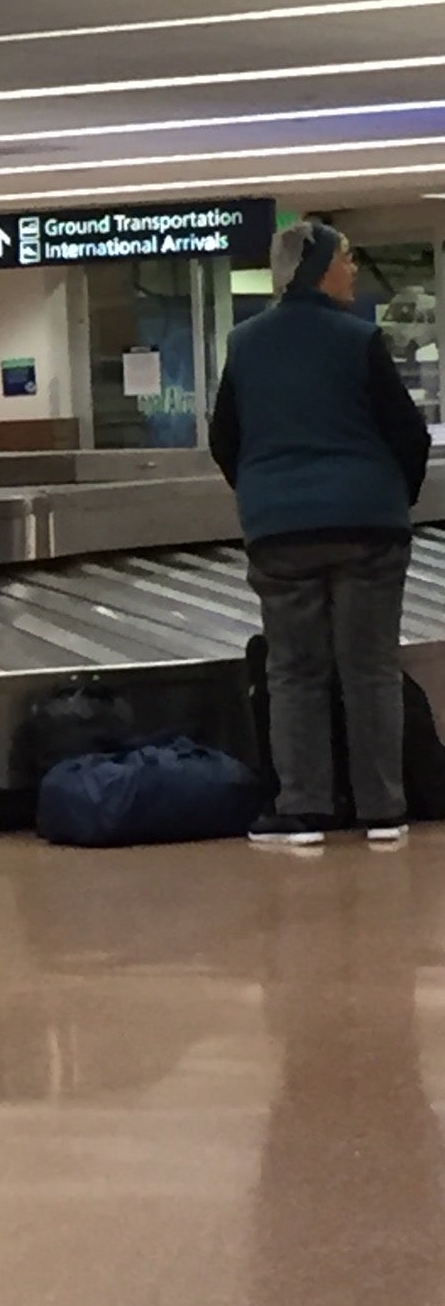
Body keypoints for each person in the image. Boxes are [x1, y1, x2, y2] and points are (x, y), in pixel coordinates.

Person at [209, 220, 431, 850]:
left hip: (280, 532)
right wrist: (391, 496)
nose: (353, 269)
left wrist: (263, 493)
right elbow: (407, 433)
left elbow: (225, 436)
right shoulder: (358, 339)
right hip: (368, 525)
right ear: (316, 269)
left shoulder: (245, 344)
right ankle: (383, 809)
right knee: (370, 668)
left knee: (295, 670)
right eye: (346, 259)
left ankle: (304, 807)